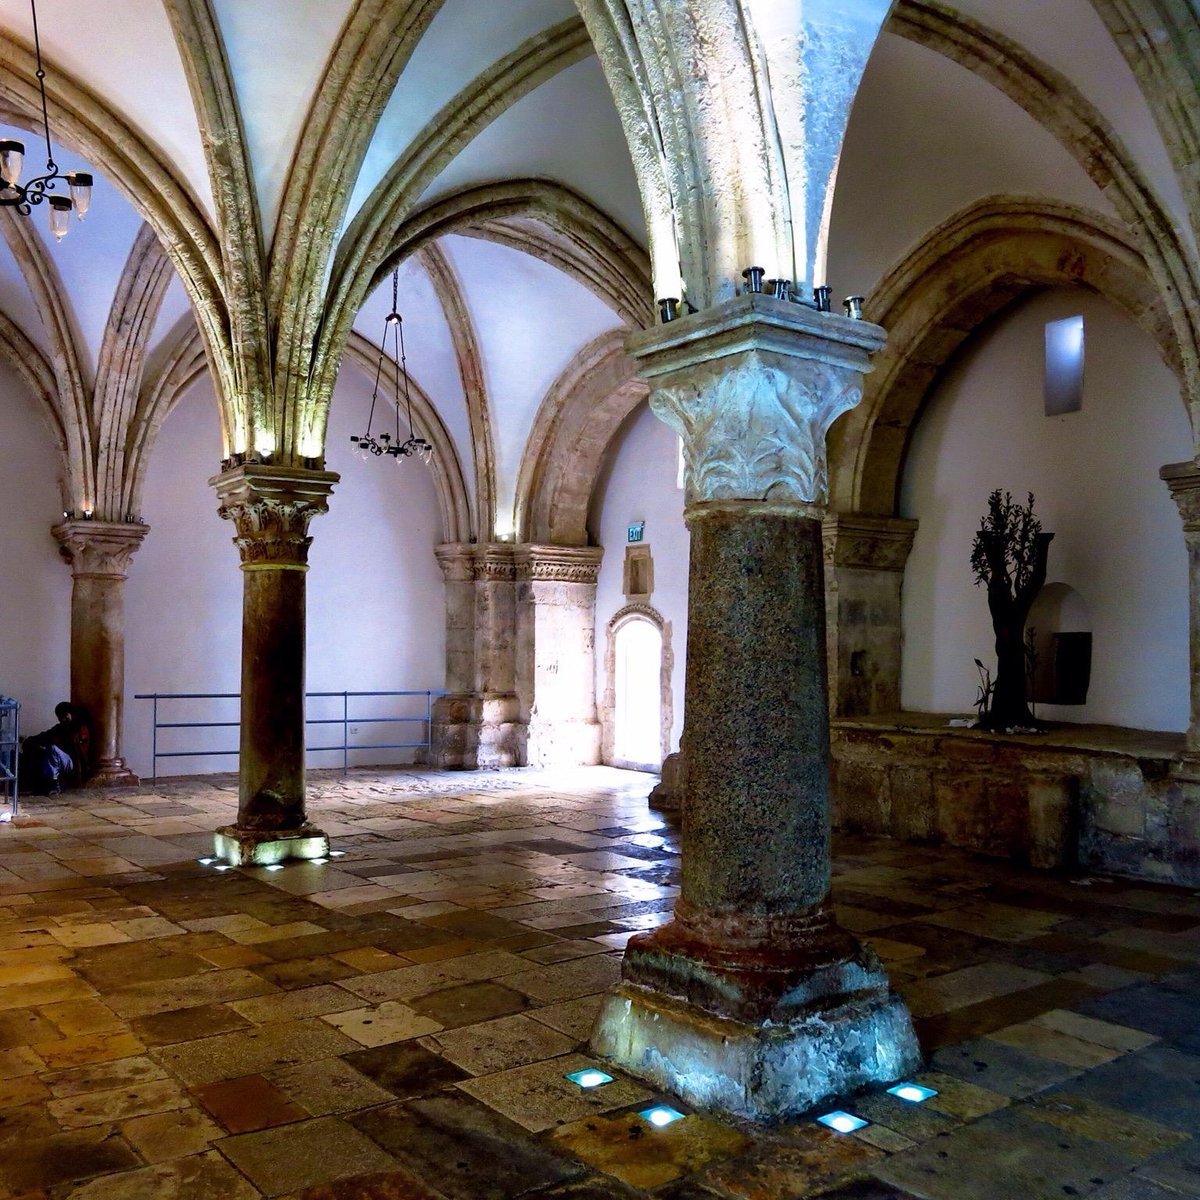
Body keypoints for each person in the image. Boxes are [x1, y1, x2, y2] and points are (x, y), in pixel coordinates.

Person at [19, 702, 90, 794]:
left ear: (71, 714)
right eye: (60, 717)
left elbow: (73, 743)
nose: (63, 719)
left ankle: (54, 785)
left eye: (65, 715)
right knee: (40, 751)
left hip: (73, 764)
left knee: (52, 749)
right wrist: (28, 740)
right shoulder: (60, 728)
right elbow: (44, 735)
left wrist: (54, 741)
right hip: (63, 762)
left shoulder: (80, 728)